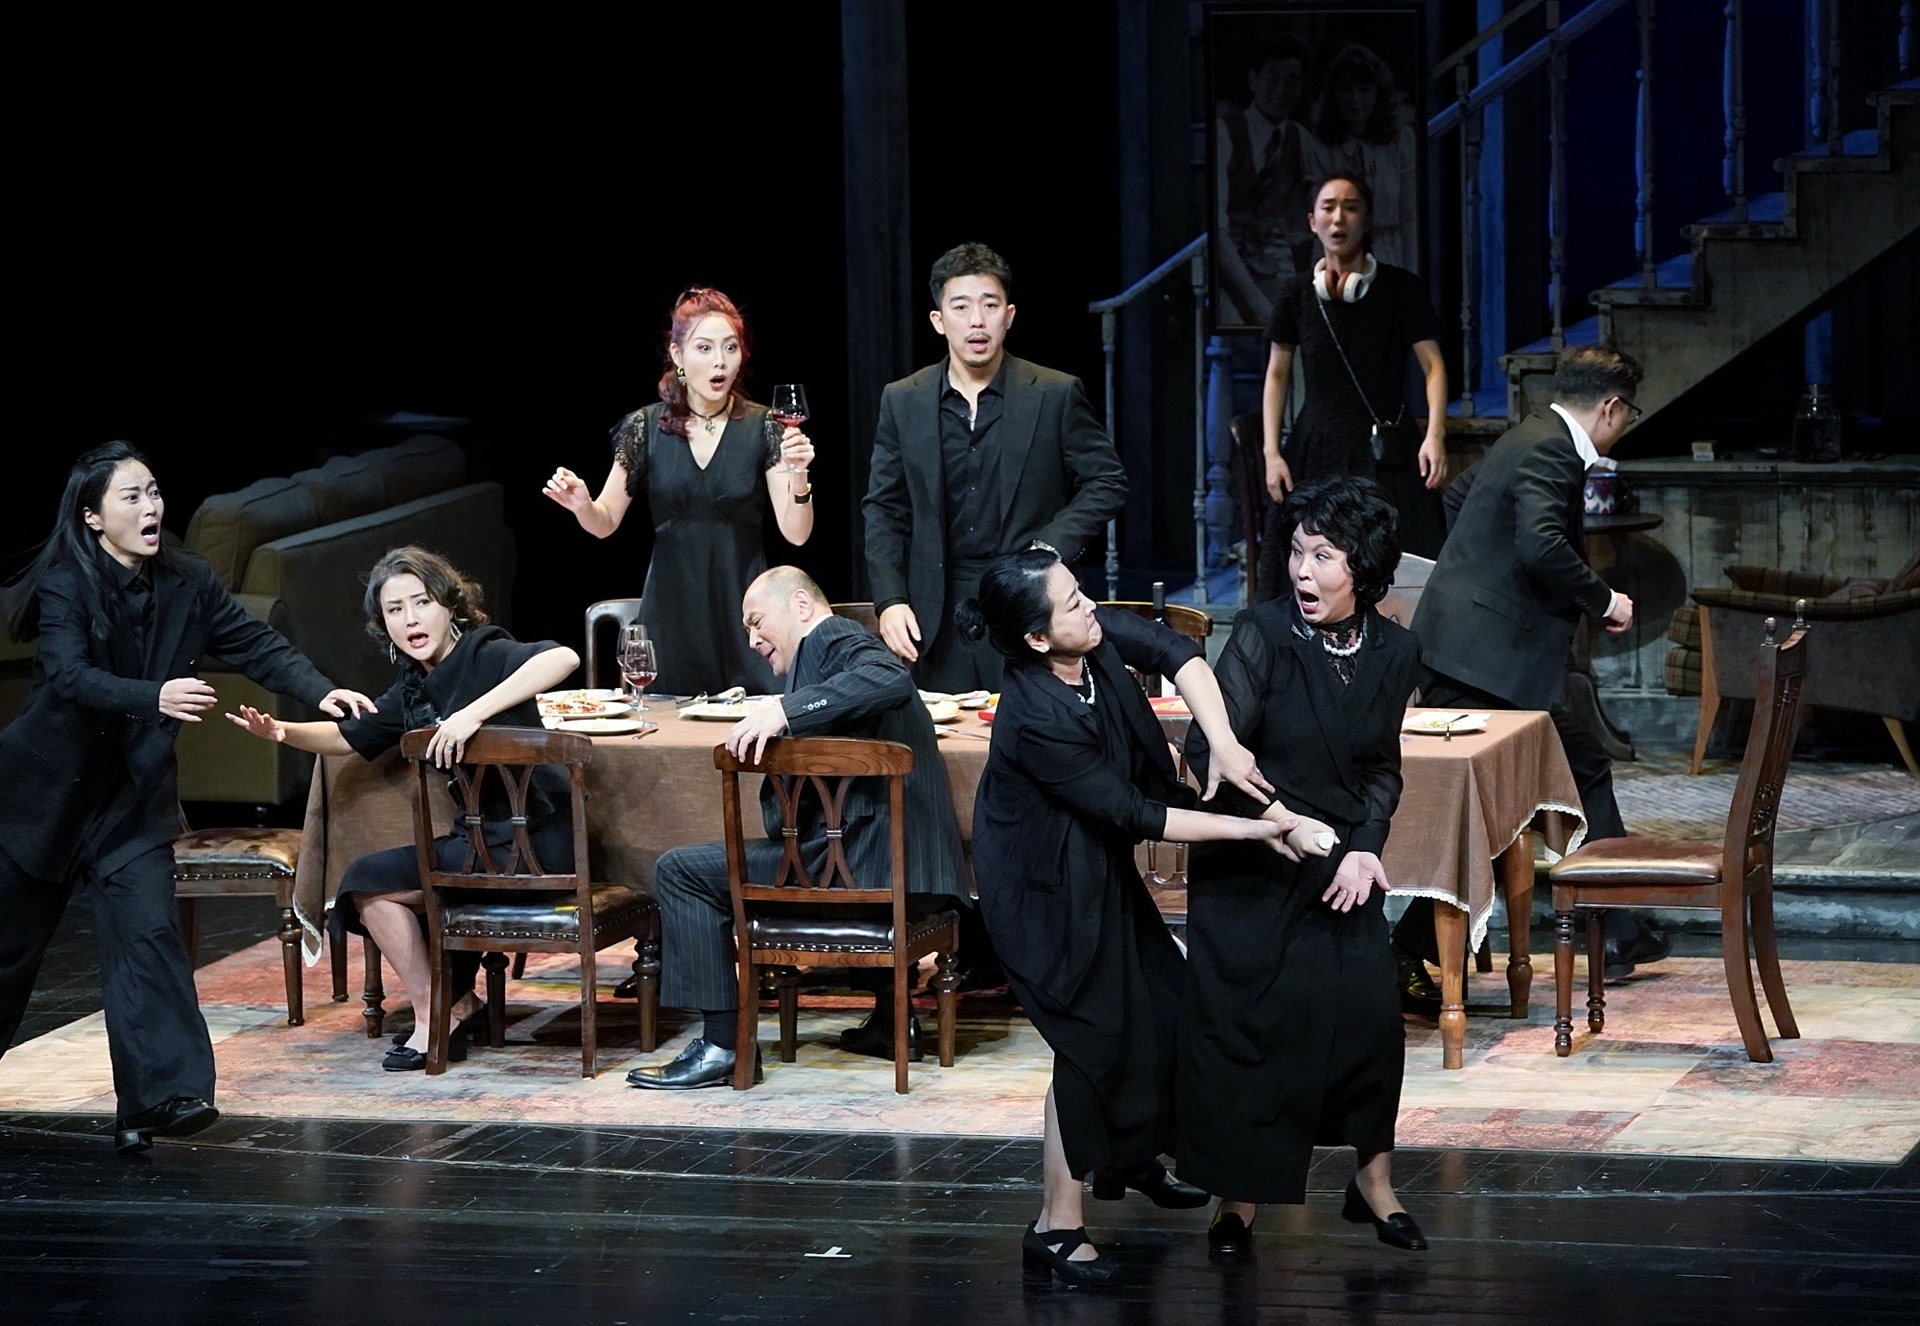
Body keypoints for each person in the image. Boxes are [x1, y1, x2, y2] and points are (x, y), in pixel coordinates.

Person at [0, 442, 375, 1154]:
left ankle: (159, 1100)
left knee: (148, 937)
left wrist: (322, 690)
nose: (150, 507)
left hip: (130, 801)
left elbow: (257, 644)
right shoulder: (66, 585)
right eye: (131, 497)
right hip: (43, 798)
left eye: (154, 492)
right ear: (91, 516)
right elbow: (69, 676)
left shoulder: (187, 581)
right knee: (9, 954)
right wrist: (155, 695)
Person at [960, 547, 1303, 1286]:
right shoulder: (1035, 714)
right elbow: (1137, 813)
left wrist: (1224, 742)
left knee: (1165, 1007)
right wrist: (1255, 829)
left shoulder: (1087, 636)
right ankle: (1055, 1227)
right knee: (1089, 1042)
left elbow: (1180, 653)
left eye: (1080, 592)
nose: (1090, 606)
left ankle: (1129, 1159)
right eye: (1072, 603)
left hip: (1093, 867)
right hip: (1041, 891)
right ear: (1036, 639)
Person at [1180, 476, 1428, 1260]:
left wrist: (1366, 847)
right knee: (1253, 1033)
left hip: (1341, 868)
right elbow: (1207, 755)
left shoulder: (1396, 650)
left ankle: (1373, 1183)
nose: (1303, 571)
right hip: (1252, 863)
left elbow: (1382, 769)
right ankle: (1238, 1199)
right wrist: (1282, 826)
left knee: (1369, 1021)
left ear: (1365, 569)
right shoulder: (1262, 635)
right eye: (1297, 551)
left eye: (1324, 556)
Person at [225, 547, 579, 1072]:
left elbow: (562, 658)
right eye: (395, 609)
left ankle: (438, 1017)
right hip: (479, 843)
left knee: (371, 884)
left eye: (422, 602)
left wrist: (471, 715)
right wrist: (282, 732)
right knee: (366, 883)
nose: (411, 619)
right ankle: (448, 1006)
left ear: (450, 606)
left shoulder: (483, 650)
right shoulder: (412, 689)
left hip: (536, 840)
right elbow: (348, 737)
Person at [1392, 345, 1667, 1008]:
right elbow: (1541, 543)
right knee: (1519, 795)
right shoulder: (1552, 450)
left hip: (1474, 651)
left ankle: (1615, 927)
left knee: (1550, 781)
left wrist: (1481, 579)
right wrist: (1604, 600)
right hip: (1481, 660)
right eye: (1628, 414)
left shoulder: (1529, 433)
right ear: (1611, 408)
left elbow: (1460, 497)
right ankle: (1403, 949)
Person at [625, 566, 971, 1090]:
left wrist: (785, 712)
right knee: (797, 845)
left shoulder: (832, 635)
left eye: (756, 621)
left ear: (803, 606)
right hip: (912, 870)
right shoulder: (823, 656)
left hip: (863, 869)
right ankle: (891, 1021)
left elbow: (890, 676)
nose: (751, 639)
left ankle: (722, 1045)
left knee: (680, 872)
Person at [863, 243, 1128, 694]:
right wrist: (890, 599)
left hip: (1028, 601)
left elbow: (1107, 480)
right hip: (935, 610)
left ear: (1009, 315)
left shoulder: (1054, 393)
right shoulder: (903, 399)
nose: (976, 321)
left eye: (989, 306)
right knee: (945, 732)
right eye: (960, 307)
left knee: (1036, 728)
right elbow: (884, 508)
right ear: (938, 320)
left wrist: (1049, 547)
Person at [544, 286, 816, 696]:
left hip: (745, 615)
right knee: (669, 723)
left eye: (730, 348)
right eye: (704, 348)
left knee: (756, 725)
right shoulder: (645, 428)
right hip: (671, 616)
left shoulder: (764, 427)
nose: (720, 361)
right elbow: (605, 522)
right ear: (677, 355)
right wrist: (583, 505)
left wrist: (799, 473)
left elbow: (797, 533)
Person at [1258, 175, 1449, 572]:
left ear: (1367, 219)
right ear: (1312, 222)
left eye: (1351, 207)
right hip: (1317, 446)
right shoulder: (1296, 293)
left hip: (1385, 450)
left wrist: (1435, 434)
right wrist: (1271, 452)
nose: (1338, 218)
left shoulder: (1401, 287)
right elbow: (1277, 374)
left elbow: (1433, 366)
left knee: (1395, 560)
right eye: (1328, 207)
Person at [1214, 33, 1316, 329]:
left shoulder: (1300, 139)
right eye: (1272, 79)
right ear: (1253, 80)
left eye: (1292, 80)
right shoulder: (1226, 131)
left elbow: (1303, 226)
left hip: (1275, 269)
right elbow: (1217, 230)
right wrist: (1256, 304)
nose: (1282, 90)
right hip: (1228, 274)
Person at [1309, 44, 1420, 271]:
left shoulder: (1401, 141)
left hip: (1390, 255)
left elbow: (1409, 217)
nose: (1355, 99)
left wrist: (1411, 273)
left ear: (1377, 93)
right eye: (1345, 90)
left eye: (1364, 90)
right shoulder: (1320, 147)